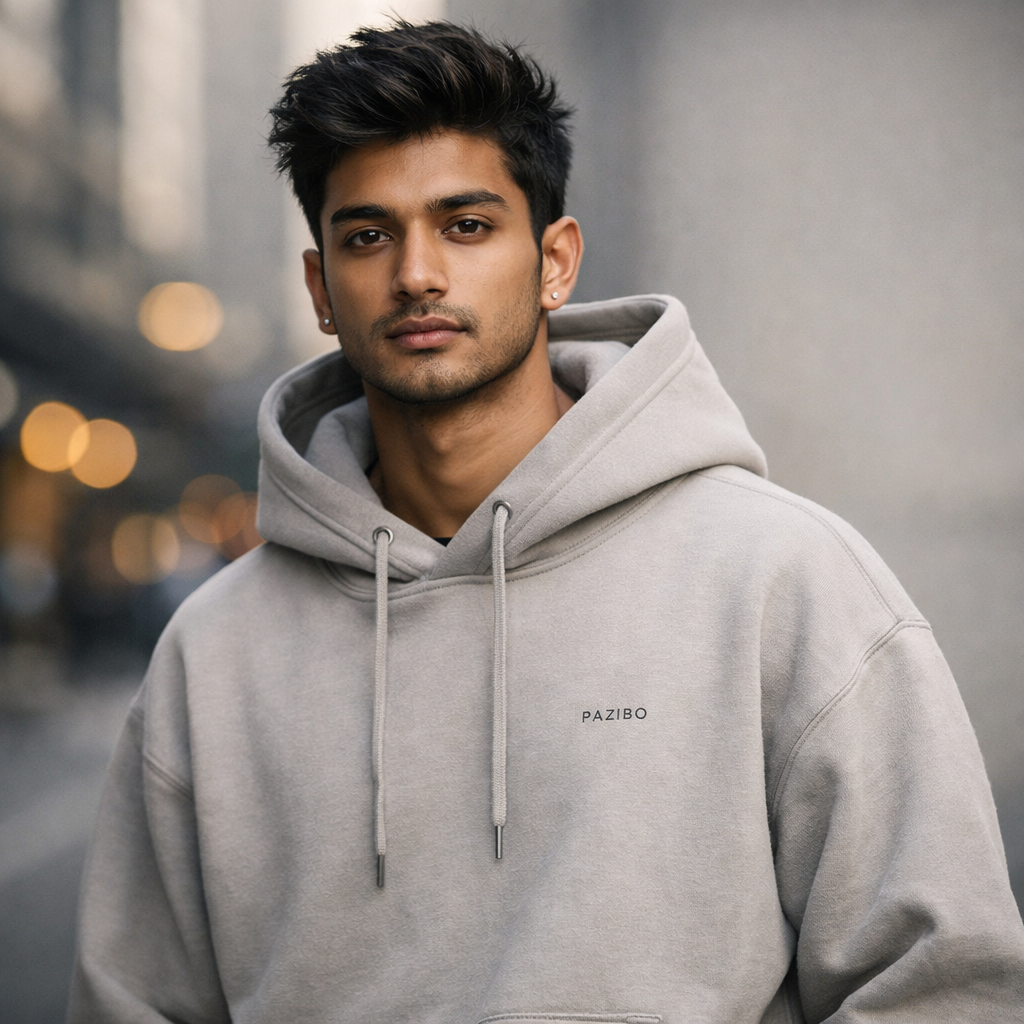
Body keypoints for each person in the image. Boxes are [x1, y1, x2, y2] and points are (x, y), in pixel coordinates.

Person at [68, 20, 1024, 1023]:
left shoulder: (781, 578)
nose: (416, 273)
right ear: (321, 289)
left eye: (466, 225)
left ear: (555, 261)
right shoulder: (215, 652)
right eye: (368, 236)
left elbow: (943, 982)